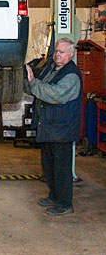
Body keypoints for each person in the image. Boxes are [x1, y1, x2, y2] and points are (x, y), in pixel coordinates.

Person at [25, 37, 82, 216]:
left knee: (61, 169)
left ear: (70, 54)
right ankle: (54, 196)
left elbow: (55, 95)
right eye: (56, 51)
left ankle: (65, 204)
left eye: (62, 52)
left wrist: (34, 82)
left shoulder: (71, 75)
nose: (57, 55)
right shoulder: (52, 68)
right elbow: (36, 87)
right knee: (49, 166)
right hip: (49, 127)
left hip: (62, 130)